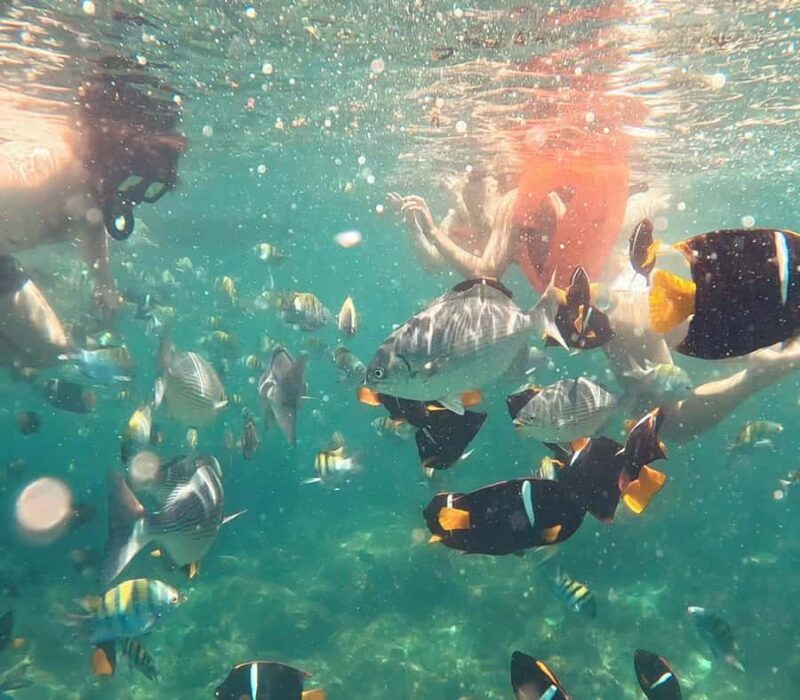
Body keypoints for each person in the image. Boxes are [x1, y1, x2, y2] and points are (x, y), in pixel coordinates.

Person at [0, 58, 185, 321]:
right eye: (136, 186)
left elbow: (92, 222)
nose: (131, 200)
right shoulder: (58, 173)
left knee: (51, 348)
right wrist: (104, 282)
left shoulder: (87, 184)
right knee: (47, 347)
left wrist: (104, 282)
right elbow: (90, 218)